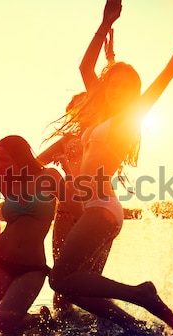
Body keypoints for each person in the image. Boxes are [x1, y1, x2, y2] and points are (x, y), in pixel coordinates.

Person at [49, 0, 173, 332]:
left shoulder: (130, 117)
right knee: (72, 283)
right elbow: (86, 67)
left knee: (61, 278)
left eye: (128, 87)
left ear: (135, 93)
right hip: (95, 210)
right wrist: (105, 23)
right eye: (114, 84)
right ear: (107, 87)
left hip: (102, 208)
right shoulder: (101, 114)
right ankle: (132, 327)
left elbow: (171, 69)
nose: (118, 90)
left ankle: (139, 293)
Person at [0, 87, 72, 335]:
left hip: (31, 267)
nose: (0, 165)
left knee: (2, 320)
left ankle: (42, 321)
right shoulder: (7, 182)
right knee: (8, 332)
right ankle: (38, 323)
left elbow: (75, 207)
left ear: (20, 155)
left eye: (4, 159)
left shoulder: (49, 177)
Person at [37, 30, 116, 316]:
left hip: (98, 215)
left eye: (87, 106)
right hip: (68, 216)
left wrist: (110, 59)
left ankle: (103, 326)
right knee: (63, 284)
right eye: (76, 109)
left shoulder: (104, 132)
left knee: (92, 282)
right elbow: (33, 164)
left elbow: (113, 93)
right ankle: (63, 326)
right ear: (71, 114)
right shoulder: (66, 141)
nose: (82, 111)